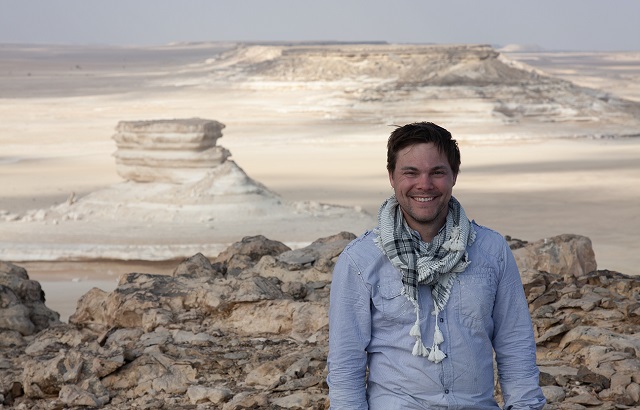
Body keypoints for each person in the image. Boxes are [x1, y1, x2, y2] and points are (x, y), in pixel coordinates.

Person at [327, 122, 546, 409]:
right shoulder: (361, 260)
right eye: (411, 172)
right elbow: (345, 364)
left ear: (454, 175)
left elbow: (515, 345)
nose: (424, 184)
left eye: (437, 172)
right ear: (392, 177)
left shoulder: (491, 251)